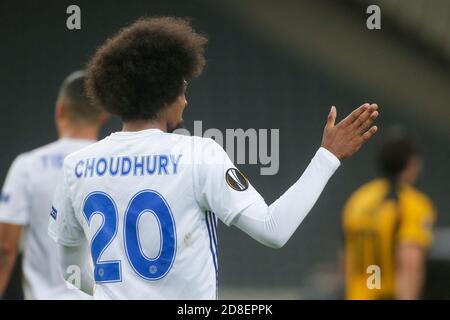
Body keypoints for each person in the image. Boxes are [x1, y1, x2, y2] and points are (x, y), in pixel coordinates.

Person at [48, 17, 379, 299]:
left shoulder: (77, 166)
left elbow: (72, 273)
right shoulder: (198, 153)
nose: (185, 101)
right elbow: (273, 229)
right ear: (165, 93)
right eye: (182, 88)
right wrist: (328, 156)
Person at [0, 71, 107, 299]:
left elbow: (5, 248)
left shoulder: (28, 167)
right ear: (103, 116)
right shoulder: (117, 167)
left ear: (60, 110)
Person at [343, 127, 436, 300]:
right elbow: (409, 265)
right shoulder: (413, 205)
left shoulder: (357, 201)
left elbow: (346, 260)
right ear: (411, 163)